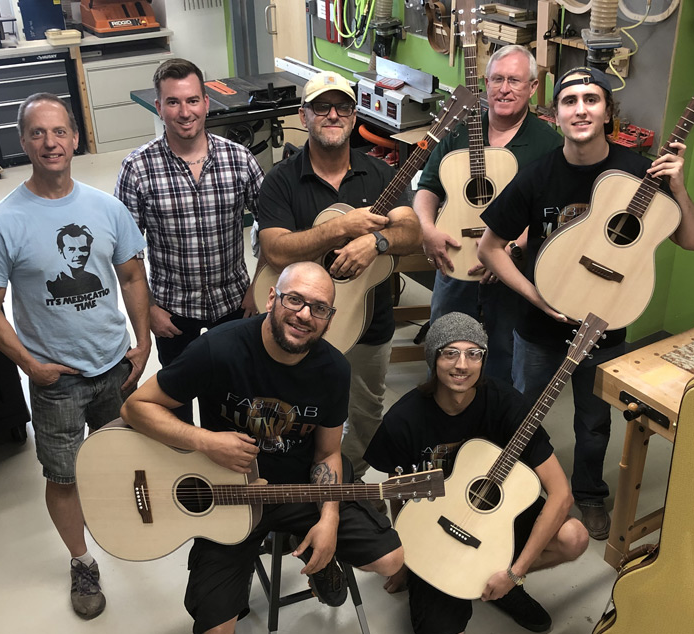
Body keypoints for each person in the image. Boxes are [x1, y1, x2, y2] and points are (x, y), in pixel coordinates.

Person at [120, 262, 404, 634]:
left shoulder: (334, 369)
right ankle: (297, 549)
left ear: (330, 320)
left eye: (319, 308)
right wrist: (206, 441)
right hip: (227, 496)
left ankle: (317, 553)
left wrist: (329, 520)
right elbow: (135, 407)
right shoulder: (218, 347)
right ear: (272, 298)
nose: (304, 315)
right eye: (295, 300)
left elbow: (327, 455)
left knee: (391, 560)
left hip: (299, 488)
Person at [478, 67, 694, 540]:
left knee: (594, 421)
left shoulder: (641, 173)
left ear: (607, 113)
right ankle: (523, 492)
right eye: (570, 100)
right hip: (539, 328)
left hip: (608, 323)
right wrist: (535, 298)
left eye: (592, 100)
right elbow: (489, 248)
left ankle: (589, 494)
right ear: (555, 113)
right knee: (525, 414)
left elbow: (691, 240)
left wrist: (679, 187)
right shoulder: (538, 175)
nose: (581, 109)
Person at [0, 93, 151, 620]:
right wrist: (29, 363)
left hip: (116, 364)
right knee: (64, 476)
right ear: (24, 142)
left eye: (59, 132)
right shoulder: (1, 224)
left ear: (75, 138)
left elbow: (133, 276)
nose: (50, 143)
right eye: (37, 133)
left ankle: (126, 524)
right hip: (57, 380)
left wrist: (143, 345)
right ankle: (82, 561)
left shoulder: (106, 208)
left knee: (121, 456)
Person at [364, 312, 589, 634]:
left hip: (498, 515)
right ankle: (446, 580)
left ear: (484, 359)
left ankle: (498, 584)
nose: (462, 365)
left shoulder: (505, 403)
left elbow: (561, 494)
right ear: (433, 358)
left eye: (474, 354)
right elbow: (397, 490)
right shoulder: (404, 419)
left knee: (574, 537)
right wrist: (405, 557)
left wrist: (515, 573)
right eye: (450, 352)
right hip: (435, 526)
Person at [258, 71, 422, 476]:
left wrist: (377, 243)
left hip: (368, 322)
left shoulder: (381, 174)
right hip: (299, 322)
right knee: (293, 410)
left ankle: (345, 485)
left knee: (366, 411)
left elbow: (411, 230)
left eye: (343, 107)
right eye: (321, 107)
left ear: (354, 117)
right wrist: (343, 228)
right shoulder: (281, 180)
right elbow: (276, 248)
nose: (333, 115)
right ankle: (294, 484)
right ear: (303, 116)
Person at [116, 58, 264, 424]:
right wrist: (148, 309)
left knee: (230, 406)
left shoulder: (240, 160)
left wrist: (258, 287)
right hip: (171, 311)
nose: (185, 112)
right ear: (159, 107)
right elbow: (124, 255)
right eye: (173, 102)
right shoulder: (137, 168)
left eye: (193, 100)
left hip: (234, 304)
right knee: (175, 408)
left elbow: (275, 228)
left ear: (206, 103)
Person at [416, 44, 561, 386]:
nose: (505, 88)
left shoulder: (549, 143)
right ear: (484, 82)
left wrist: (511, 250)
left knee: (502, 353)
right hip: (455, 256)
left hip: (512, 269)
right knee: (444, 340)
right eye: (497, 79)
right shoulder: (459, 130)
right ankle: (440, 414)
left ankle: (492, 424)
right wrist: (427, 228)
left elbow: (553, 213)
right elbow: (428, 187)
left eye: (514, 80)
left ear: (533, 87)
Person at [46, 223, 104, 297]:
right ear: (61, 251)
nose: (78, 254)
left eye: (83, 249)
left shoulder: (95, 280)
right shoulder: (51, 285)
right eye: (71, 249)